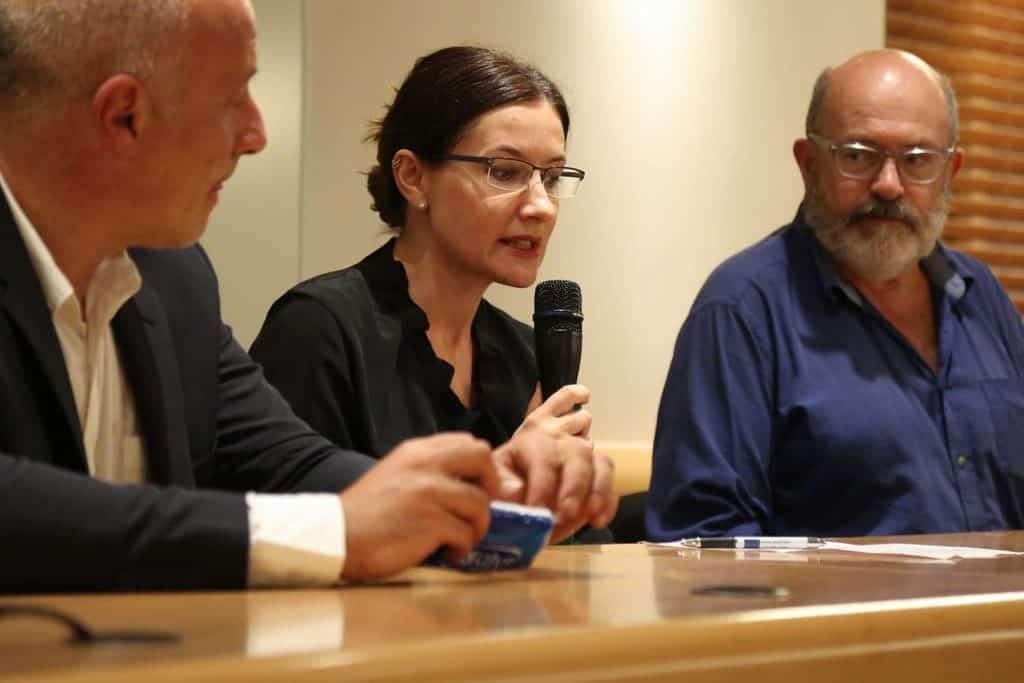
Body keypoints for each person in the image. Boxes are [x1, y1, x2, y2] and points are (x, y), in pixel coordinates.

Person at [0, 0, 610, 593]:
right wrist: (335, 529)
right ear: (124, 116)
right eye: (232, 100)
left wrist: (481, 497)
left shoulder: (176, 280)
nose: (257, 135)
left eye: (552, 176)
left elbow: (287, 462)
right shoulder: (318, 319)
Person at [647, 49, 1024, 541]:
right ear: (808, 164)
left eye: (917, 161)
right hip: (837, 597)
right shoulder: (741, 311)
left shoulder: (981, 296)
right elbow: (704, 542)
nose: (888, 186)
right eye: (858, 156)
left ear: (950, 172)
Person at [250, 46, 616, 543]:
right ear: (413, 177)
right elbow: (291, 531)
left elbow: (571, 552)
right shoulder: (319, 328)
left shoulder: (522, 352)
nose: (541, 207)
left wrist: (566, 503)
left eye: (551, 178)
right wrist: (499, 485)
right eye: (504, 171)